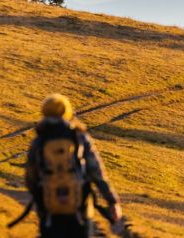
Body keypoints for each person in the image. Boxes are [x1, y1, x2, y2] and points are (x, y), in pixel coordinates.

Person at [25, 94, 123, 237]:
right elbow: (96, 172)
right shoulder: (79, 137)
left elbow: (31, 177)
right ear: (66, 112)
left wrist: (41, 199)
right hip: (79, 209)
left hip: (50, 211)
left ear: (44, 112)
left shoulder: (39, 140)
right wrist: (112, 201)